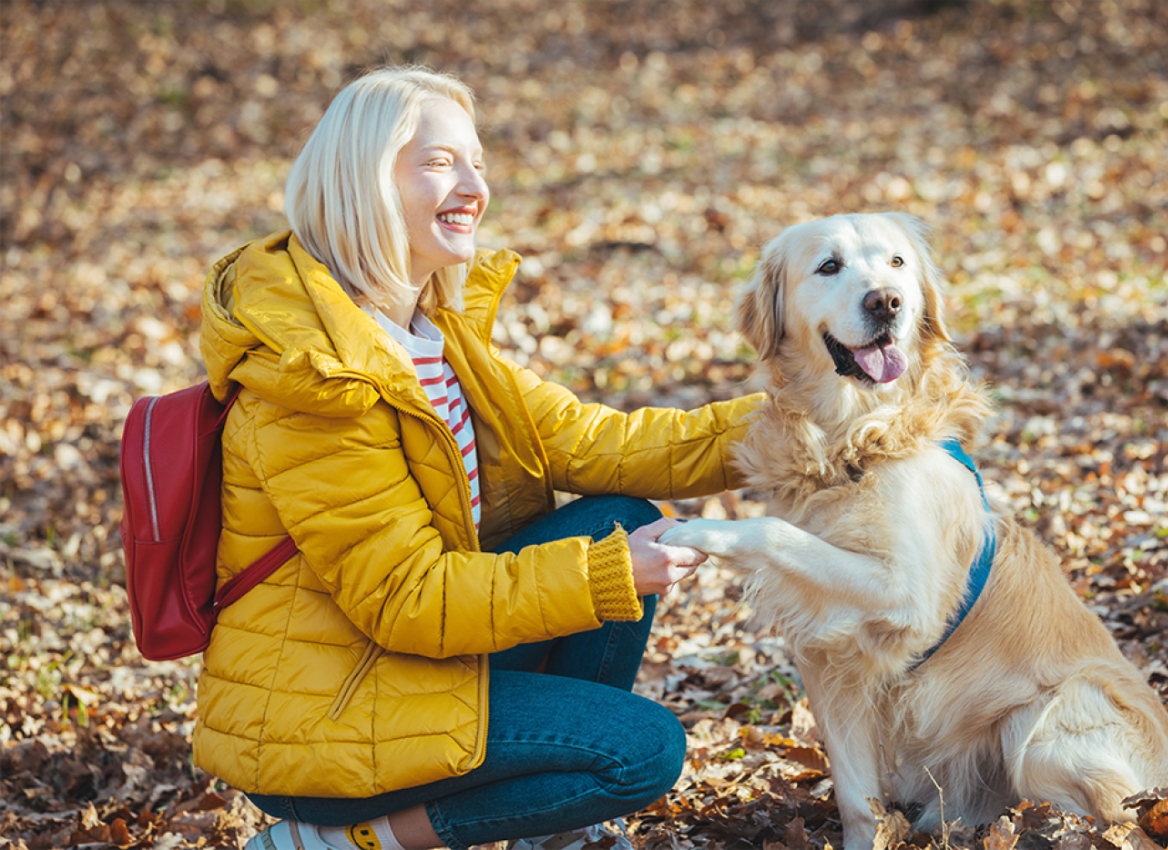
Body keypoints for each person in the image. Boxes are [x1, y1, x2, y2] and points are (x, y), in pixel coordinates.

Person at [193, 65, 760, 850]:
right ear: (364, 183)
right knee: (639, 752)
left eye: (477, 163)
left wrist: (799, 423)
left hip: (403, 661)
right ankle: (330, 843)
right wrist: (607, 575)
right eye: (438, 162)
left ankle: (550, 828)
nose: (473, 186)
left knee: (619, 515)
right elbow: (407, 597)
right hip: (326, 710)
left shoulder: (434, 337)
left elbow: (598, 443)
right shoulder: (313, 375)